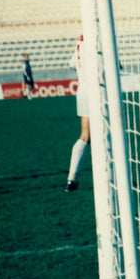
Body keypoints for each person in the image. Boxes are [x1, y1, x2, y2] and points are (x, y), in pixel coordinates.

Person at [65, 35, 90, 192]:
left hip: (82, 90)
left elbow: (71, 64)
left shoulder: (80, 41)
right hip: (97, 91)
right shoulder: (98, 38)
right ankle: (115, 176)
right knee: (109, 132)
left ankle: (71, 179)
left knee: (85, 135)